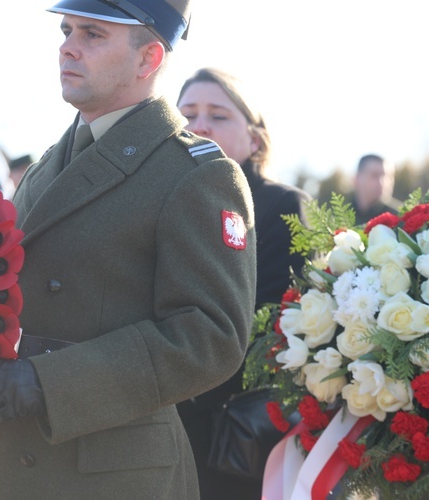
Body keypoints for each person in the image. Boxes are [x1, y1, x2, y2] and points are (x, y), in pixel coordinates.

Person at [0, 1, 257, 498]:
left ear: (149, 58)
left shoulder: (197, 173)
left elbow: (211, 336)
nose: (67, 46)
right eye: (68, 29)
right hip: (12, 461)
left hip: (110, 474)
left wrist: (47, 383)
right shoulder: (53, 161)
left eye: (92, 34)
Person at [175, 67, 311, 499]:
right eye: (187, 114)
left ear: (255, 139)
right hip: (158, 426)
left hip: (237, 437)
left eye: (218, 115)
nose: (199, 125)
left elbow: (278, 317)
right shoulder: (155, 203)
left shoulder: (282, 205)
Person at [350, 153, 401, 225]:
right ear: (356, 179)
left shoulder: (401, 218)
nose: (382, 182)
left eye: (388, 176)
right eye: (375, 175)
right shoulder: (338, 218)